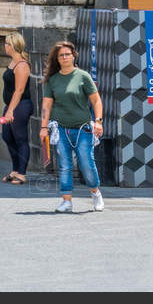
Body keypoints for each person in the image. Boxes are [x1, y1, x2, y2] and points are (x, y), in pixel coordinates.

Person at [41, 41, 105, 213]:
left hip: (83, 128)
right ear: (57, 59)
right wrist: (43, 127)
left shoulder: (83, 76)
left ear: (73, 56)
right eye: (61, 55)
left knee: (86, 164)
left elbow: (96, 100)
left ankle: (95, 192)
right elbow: (46, 105)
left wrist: (98, 121)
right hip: (62, 129)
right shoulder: (53, 80)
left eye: (67, 54)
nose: (64, 57)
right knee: (64, 165)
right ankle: (66, 201)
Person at [0, 32, 33, 184]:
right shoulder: (12, 62)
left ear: (13, 46)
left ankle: (21, 173)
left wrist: (11, 110)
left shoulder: (22, 65)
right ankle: (14, 169)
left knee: (20, 138)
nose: (5, 46)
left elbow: (19, 90)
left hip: (20, 106)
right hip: (11, 105)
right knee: (7, 136)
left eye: (7, 43)